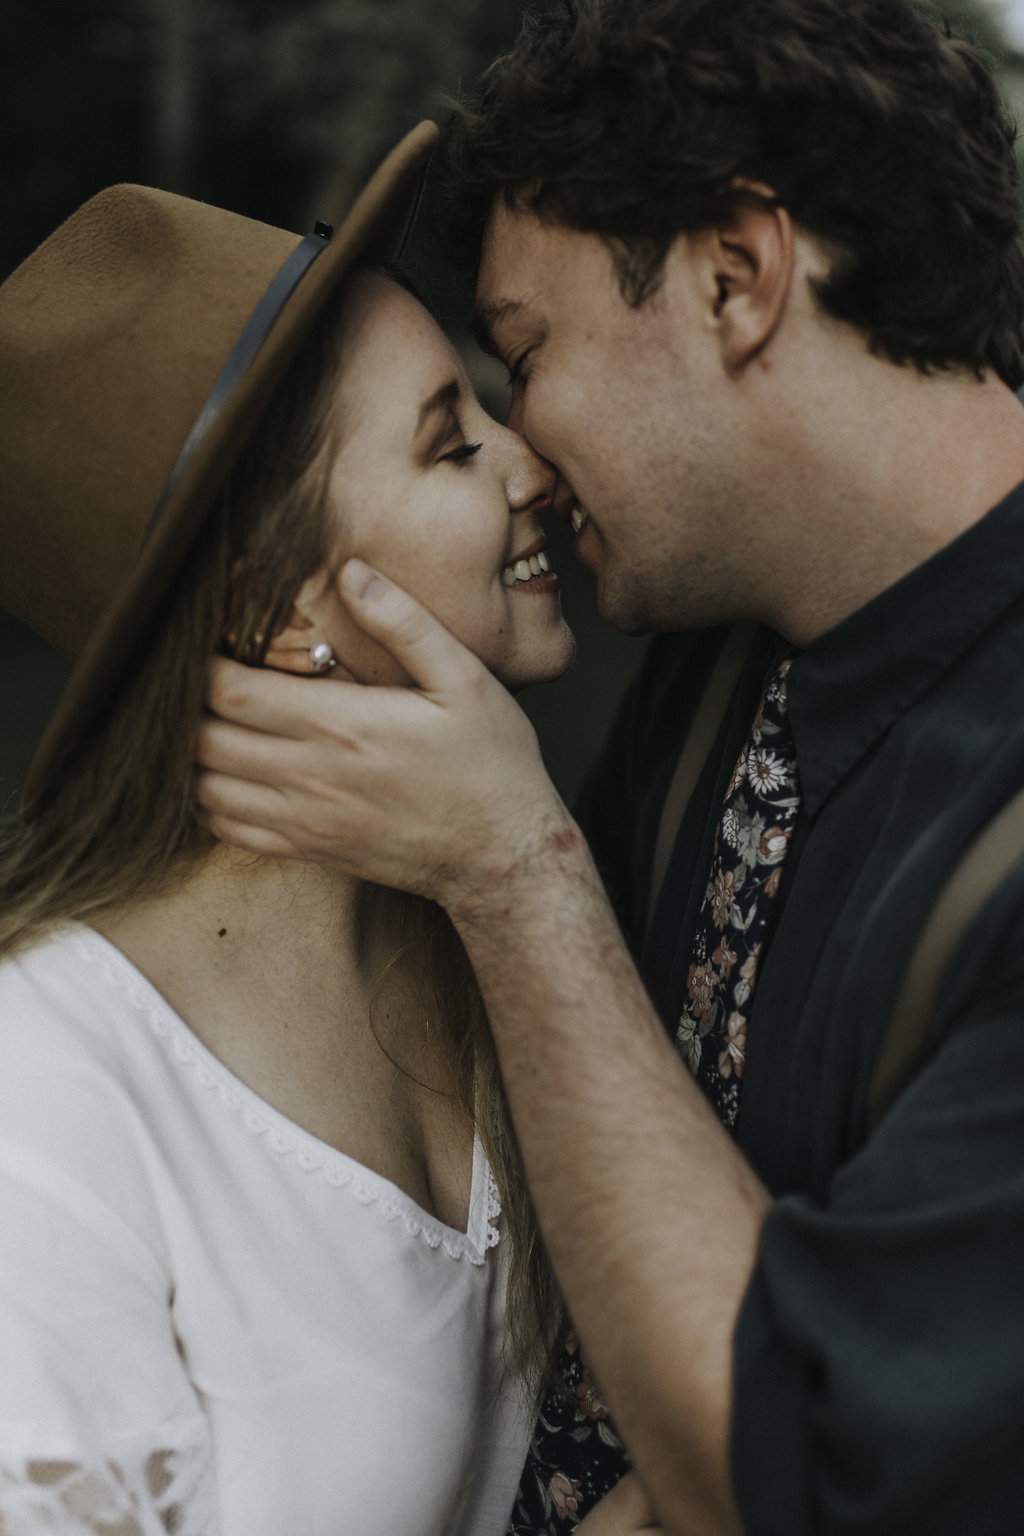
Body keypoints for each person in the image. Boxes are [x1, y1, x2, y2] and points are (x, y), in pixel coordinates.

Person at [193, 1, 1024, 1532]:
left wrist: (518, 870)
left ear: (737, 275)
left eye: (528, 351)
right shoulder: (723, 653)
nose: (526, 443)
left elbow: (796, 1471)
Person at [0, 122, 590, 1536]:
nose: (535, 463)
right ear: (277, 613)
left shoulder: (503, 931)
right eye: (453, 444)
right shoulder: (48, 1094)